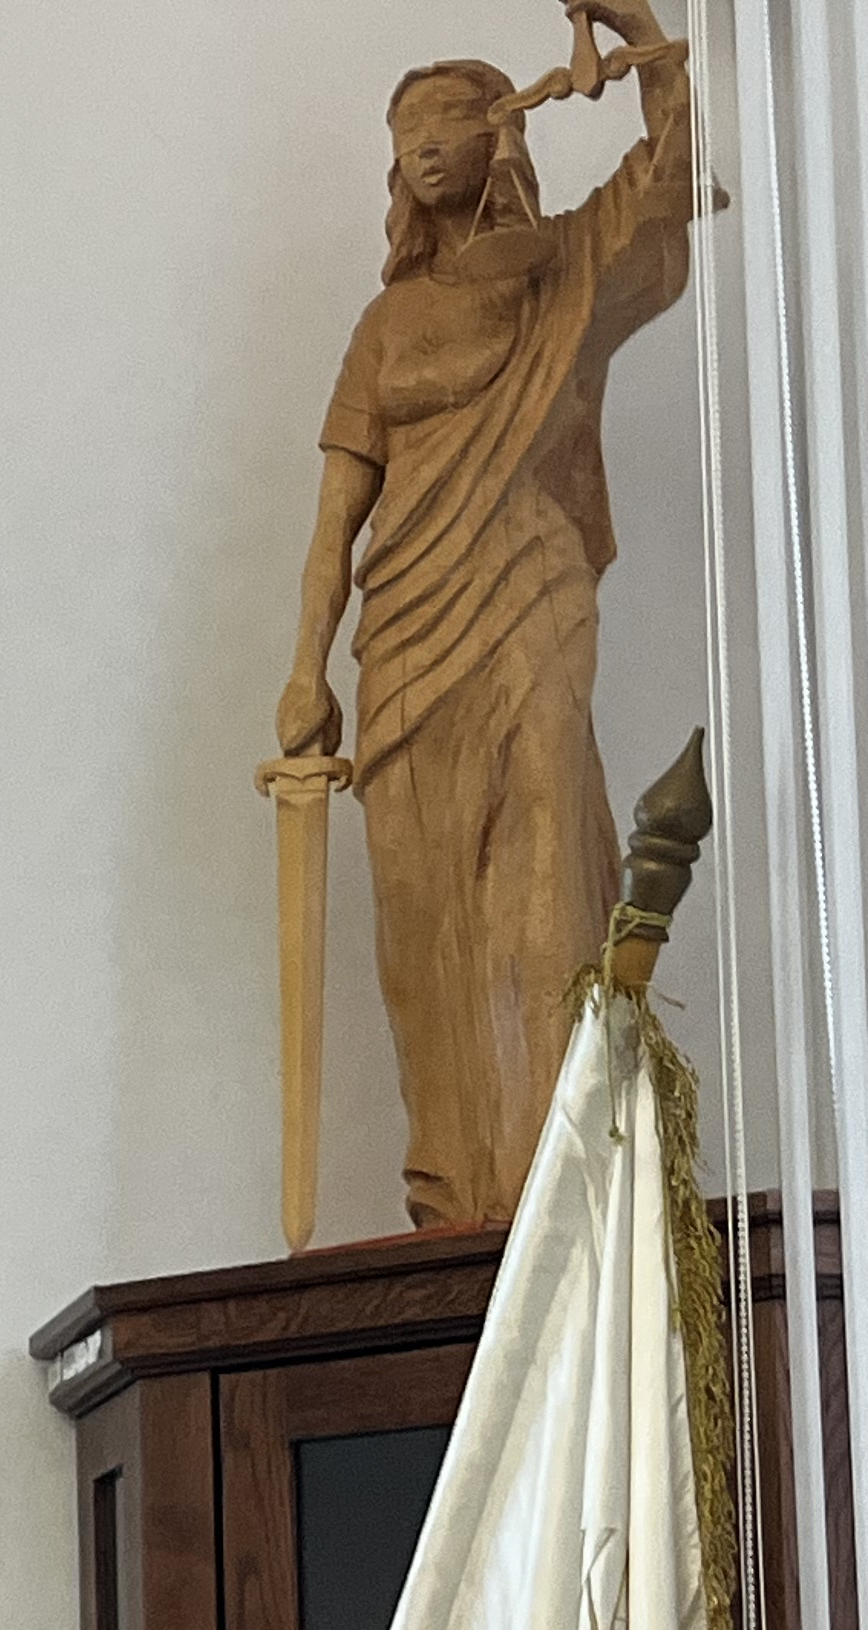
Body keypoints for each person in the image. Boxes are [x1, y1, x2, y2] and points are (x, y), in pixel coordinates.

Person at [277, 1, 692, 1228]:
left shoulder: (565, 268)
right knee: (423, 917)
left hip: (529, 591)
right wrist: (304, 668)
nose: (421, 142)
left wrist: (642, 34)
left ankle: (561, 1178)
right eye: (404, 129)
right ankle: (459, 1198)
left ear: (503, 132)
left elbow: (671, 177)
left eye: (449, 118)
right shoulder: (384, 326)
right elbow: (335, 518)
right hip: (404, 626)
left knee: (544, 879)